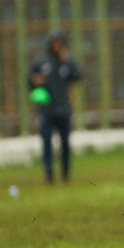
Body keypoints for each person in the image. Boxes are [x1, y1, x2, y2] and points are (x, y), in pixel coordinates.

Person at [28, 29, 81, 183]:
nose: (57, 46)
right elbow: (29, 79)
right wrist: (34, 80)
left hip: (64, 109)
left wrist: (69, 62)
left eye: (59, 43)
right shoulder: (41, 61)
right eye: (54, 43)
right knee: (46, 142)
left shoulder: (66, 59)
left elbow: (77, 76)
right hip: (46, 110)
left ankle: (65, 174)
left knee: (65, 143)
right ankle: (49, 174)